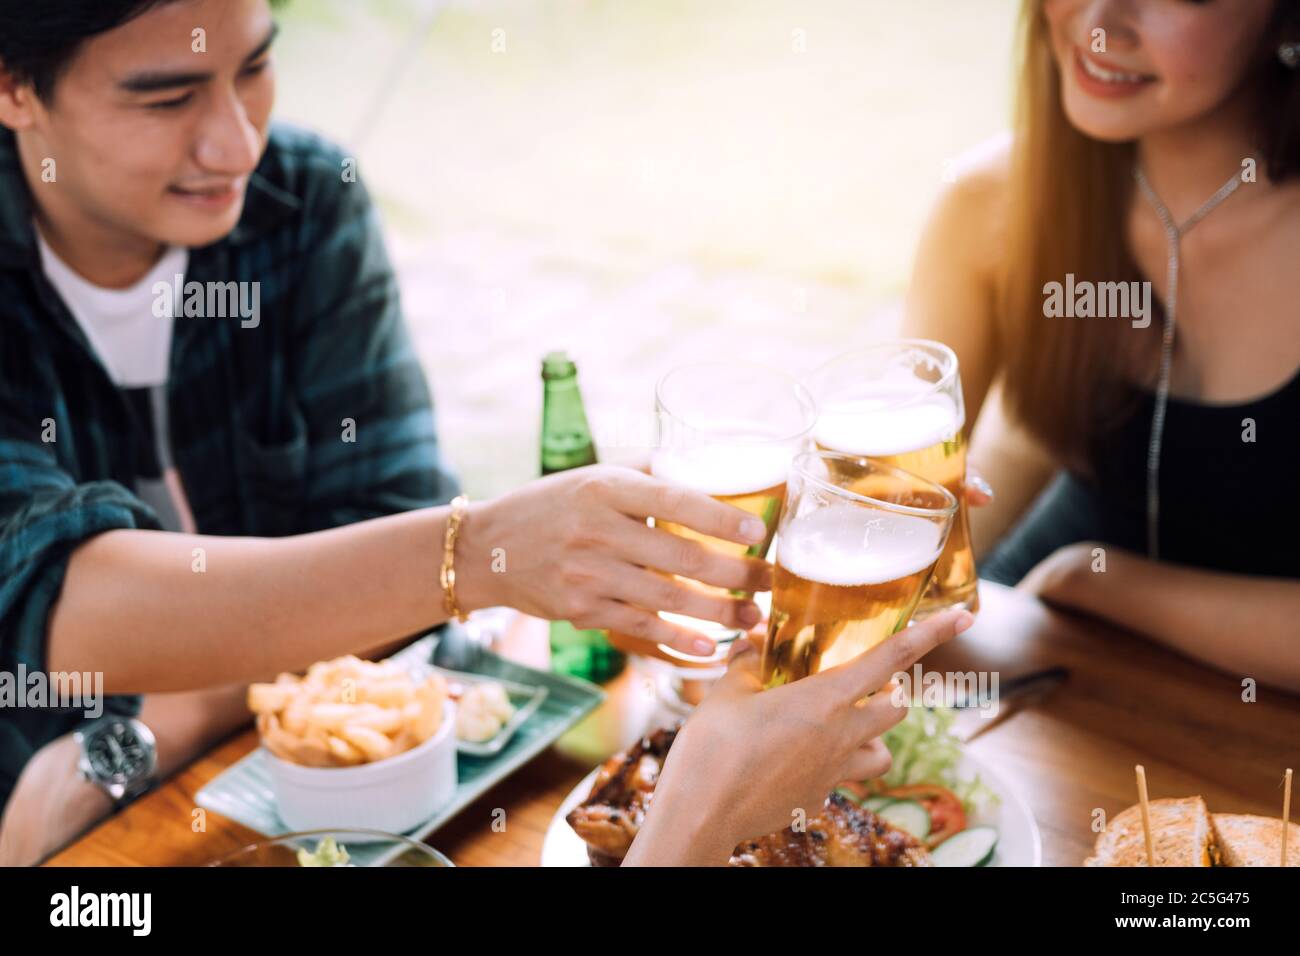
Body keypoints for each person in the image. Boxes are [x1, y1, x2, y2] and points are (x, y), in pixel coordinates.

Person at [0, 0, 774, 863]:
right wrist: (480, 552)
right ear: (13, 86)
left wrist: (171, 718)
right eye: (167, 98)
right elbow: (46, 600)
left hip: (265, 793)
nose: (236, 146)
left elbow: (389, 539)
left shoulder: (299, 202)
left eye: (253, 69)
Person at [908, 0, 1300, 691]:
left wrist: (1102, 582)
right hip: (1042, 645)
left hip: (1249, 713)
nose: (1100, 21)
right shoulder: (992, 201)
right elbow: (916, 489)